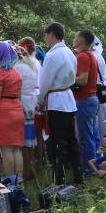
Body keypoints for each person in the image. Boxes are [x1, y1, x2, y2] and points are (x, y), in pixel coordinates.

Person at [38, 22, 84, 186]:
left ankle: (60, 179)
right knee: (71, 139)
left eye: (46, 35)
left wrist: (40, 100)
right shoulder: (70, 53)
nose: (45, 38)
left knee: (59, 141)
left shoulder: (52, 55)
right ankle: (78, 176)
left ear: (52, 35)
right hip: (68, 99)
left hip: (57, 101)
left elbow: (45, 82)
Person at [0, 41, 25, 182]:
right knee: (17, 149)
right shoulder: (16, 73)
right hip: (17, 109)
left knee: (6, 149)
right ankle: (19, 180)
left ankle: (10, 181)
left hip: (4, 112)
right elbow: (19, 95)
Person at [72, 30, 101, 175]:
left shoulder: (83, 56)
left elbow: (82, 80)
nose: (73, 39)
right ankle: (96, 163)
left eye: (75, 37)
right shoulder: (91, 55)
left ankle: (88, 169)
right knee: (92, 134)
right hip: (91, 99)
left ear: (81, 40)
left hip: (84, 100)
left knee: (85, 137)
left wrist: (68, 77)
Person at [15, 38, 41, 180]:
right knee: (30, 138)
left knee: (24, 140)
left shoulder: (19, 66)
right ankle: (31, 166)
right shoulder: (32, 62)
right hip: (31, 100)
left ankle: (27, 169)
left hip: (23, 101)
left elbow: (17, 87)